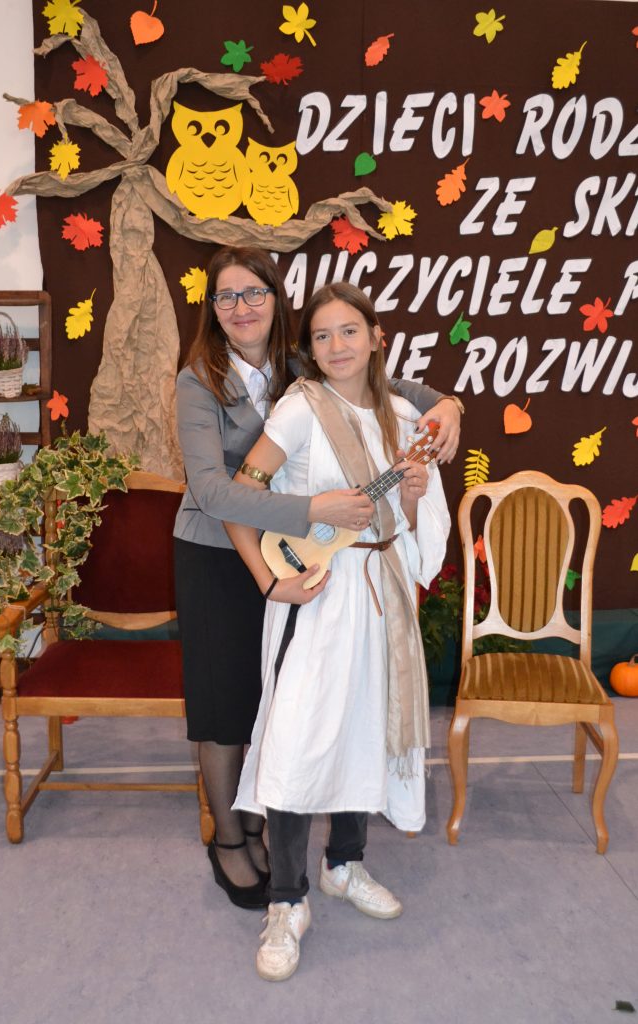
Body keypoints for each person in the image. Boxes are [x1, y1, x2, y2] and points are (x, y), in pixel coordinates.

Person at [174, 246, 460, 912]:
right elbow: (214, 492)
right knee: (225, 706)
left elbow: (392, 388)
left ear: (276, 300)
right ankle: (230, 837)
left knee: (275, 700)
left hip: (303, 557)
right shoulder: (198, 380)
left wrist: (448, 405)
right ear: (212, 309)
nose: (241, 307)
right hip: (218, 550)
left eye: (254, 292)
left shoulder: (300, 361)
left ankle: (283, 834)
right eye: (226, 296)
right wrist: (313, 511)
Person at [225, 282, 450, 981]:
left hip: (380, 591)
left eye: (349, 331)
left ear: (377, 337)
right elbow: (240, 494)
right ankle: (286, 900)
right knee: (297, 742)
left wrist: (409, 497)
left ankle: (344, 865)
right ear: (310, 350)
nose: (336, 346)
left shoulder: (402, 415)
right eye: (321, 336)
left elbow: (411, 523)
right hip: (316, 593)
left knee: (363, 729)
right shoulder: (298, 408)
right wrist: (276, 571)